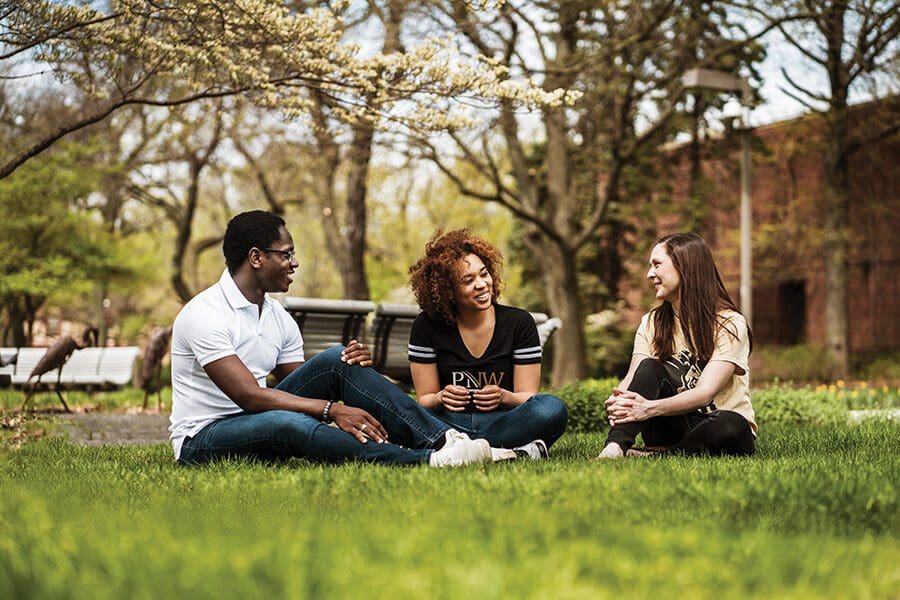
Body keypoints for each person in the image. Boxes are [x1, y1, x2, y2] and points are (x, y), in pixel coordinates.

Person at [169, 210, 499, 468]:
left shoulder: (277, 317)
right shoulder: (205, 314)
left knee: (336, 360)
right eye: (286, 254)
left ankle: (447, 440)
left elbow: (302, 382)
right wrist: (332, 410)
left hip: (258, 418)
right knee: (288, 423)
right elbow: (250, 397)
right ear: (256, 258)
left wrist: (354, 371)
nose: (294, 263)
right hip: (204, 437)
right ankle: (429, 460)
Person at [406, 229, 568, 458]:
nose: (482, 284)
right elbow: (425, 399)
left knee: (552, 408)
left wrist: (504, 396)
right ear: (448, 291)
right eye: (468, 280)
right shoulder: (426, 326)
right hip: (448, 424)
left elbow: (527, 396)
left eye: (484, 274)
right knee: (397, 411)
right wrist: (441, 397)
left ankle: (462, 452)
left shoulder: (519, 322)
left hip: (504, 420)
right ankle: (506, 451)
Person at [596, 232, 757, 459]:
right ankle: (614, 449)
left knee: (731, 423)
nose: (650, 274)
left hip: (718, 428)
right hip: (671, 426)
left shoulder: (729, 323)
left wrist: (647, 408)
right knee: (650, 367)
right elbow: (635, 376)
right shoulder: (652, 322)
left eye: (657, 265)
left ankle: (660, 455)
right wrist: (621, 400)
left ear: (685, 267)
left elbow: (704, 393)